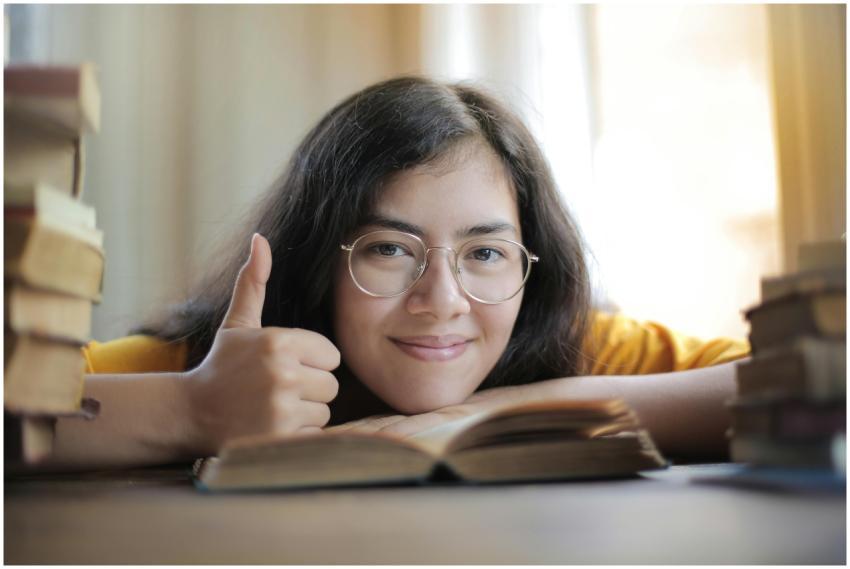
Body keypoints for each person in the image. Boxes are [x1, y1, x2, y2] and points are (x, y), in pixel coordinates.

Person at [51, 76, 749, 470]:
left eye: (484, 253)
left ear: (530, 267)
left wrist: (507, 407)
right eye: (389, 248)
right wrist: (192, 407)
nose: (443, 302)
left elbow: (817, 379)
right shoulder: (223, 367)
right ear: (319, 255)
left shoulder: (572, 344)